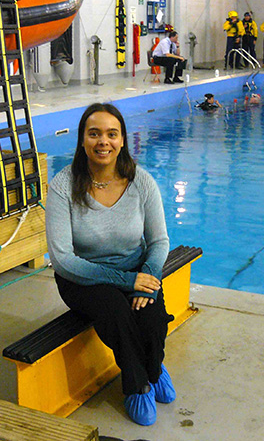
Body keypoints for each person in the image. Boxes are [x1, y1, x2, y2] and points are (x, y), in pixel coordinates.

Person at [45, 103, 174, 427]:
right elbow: (62, 259)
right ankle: (137, 384)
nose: (103, 141)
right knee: (116, 312)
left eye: (111, 134)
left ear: (122, 140)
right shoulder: (63, 186)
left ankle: (154, 368)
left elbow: (159, 242)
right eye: (94, 134)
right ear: (83, 140)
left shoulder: (141, 182)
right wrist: (126, 282)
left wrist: (148, 275)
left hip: (136, 271)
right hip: (82, 277)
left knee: (153, 318)